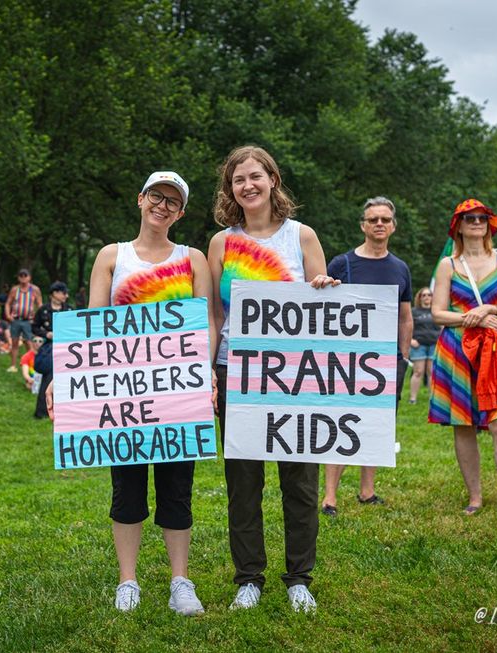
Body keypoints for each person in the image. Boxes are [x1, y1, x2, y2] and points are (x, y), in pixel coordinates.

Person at [48, 170, 213, 616]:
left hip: (179, 394)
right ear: (140, 199)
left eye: (172, 202)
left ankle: (181, 581)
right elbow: (91, 325)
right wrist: (60, 375)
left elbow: (205, 324)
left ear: (181, 213)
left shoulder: (193, 258)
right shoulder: (111, 256)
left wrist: (207, 375)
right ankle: (129, 581)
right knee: (127, 489)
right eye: (156, 197)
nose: (163, 206)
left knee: (178, 487)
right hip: (122, 398)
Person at [207, 147, 336, 613]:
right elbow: (214, 315)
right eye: (238, 179)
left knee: (300, 482)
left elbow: (326, 308)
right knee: (243, 481)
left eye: (255, 176)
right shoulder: (221, 244)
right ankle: (248, 578)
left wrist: (324, 288)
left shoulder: (302, 237)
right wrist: (208, 373)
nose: (248, 185)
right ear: (231, 188)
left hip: (296, 375)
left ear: (273, 180)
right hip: (236, 371)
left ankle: (299, 577)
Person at [428, 199, 497, 525]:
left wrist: (489, 311)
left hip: (495, 351)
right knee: (464, 424)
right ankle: (475, 496)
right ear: (458, 225)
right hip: (456, 350)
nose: (476, 223)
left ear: (489, 223)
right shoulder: (448, 265)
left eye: (481, 218)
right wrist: (472, 319)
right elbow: (438, 313)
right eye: (469, 218)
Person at [322, 197, 413, 516]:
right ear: (363, 225)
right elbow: (323, 309)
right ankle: (329, 497)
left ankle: (367, 491)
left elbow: (405, 316)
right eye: (373, 219)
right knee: (340, 424)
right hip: (346, 362)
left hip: (386, 362)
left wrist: (402, 356)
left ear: (393, 226)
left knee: (377, 425)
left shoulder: (400, 268)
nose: (379, 224)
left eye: (385, 219)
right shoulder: (341, 264)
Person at [31, 281, 70, 416]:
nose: (66, 296)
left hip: (67, 347)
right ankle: (43, 410)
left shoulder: (69, 309)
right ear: (55, 293)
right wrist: (46, 334)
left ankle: (65, 410)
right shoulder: (43, 310)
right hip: (49, 347)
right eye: (64, 293)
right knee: (49, 376)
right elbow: (34, 327)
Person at [4, 269, 42, 372]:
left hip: (28, 320)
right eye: (21, 276)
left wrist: (37, 317)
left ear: (29, 277)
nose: (23, 278)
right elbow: (8, 303)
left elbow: (39, 304)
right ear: (18, 277)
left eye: (25, 276)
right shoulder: (15, 289)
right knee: (14, 342)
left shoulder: (34, 290)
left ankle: (32, 365)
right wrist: (8, 315)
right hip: (16, 319)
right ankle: (13, 365)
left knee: (29, 343)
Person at [409, 287, 440, 403]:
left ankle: (433, 399)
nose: (427, 297)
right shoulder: (414, 311)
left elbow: (443, 327)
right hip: (419, 345)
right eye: (424, 295)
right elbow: (406, 326)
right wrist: (410, 340)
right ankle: (413, 399)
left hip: (434, 345)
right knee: (418, 371)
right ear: (420, 297)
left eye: (429, 295)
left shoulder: (436, 311)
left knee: (431, 372)